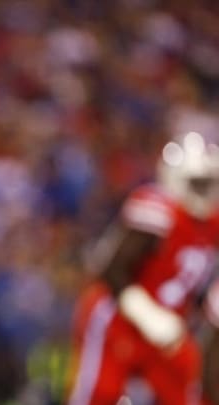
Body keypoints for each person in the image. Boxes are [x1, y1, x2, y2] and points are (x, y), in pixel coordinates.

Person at [67, 131, 219, 405]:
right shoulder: (157, 209)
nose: (205, 191)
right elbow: (111, 271)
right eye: (198, 182)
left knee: (188, 390)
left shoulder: (213, 222)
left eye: (210, 182)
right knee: (100, 395)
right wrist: (148, 315)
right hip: (119, 319)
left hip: (171, 328)